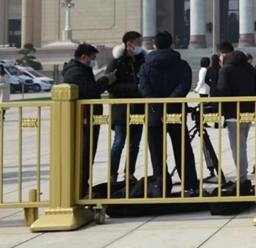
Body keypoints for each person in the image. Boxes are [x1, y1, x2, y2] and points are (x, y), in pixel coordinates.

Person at [138, 31, 198, 192]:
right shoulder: (182, 65)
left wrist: (159, 109)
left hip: (153, 113)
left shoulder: (145, 66)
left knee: (156, 152)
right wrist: (168, 106)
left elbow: (145, 90)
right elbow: (183, 87)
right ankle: (190, 186)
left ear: (154, 46)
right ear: (172, 45)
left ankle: (160, 186)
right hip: (175, 112)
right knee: (182, 149)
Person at [62, 43, 116, 196]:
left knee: (87, 155)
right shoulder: (76, 72)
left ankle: (83, 187)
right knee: (84, 156)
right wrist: (106, 80)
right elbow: (90, 90)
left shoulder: (82, 70)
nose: (94, 61)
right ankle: (80, 189)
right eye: (92, 58)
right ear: (84, 57)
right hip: (83, 120)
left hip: (89, 119)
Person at [215, 44, 256, 186]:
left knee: (237, 147)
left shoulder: (225, 69)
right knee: (242, 145)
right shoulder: (249, 68)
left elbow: (223, 90)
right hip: (249, 111)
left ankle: (242, 177)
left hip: (233, 112)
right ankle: (243, 174)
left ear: (223, 54)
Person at [106, 31, 146, 183]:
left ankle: (129, 173)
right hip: (121, 108)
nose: (140, 46)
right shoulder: (116, 62)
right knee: (119, 142)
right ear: (129, 44)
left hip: (138, 108)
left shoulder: (142, 60)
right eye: (138, 43)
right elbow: (110, 85)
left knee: (134, 144)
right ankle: (112, 174)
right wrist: (134, 89)